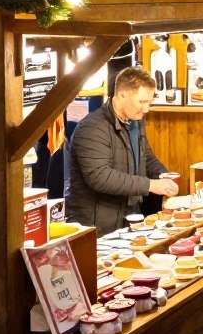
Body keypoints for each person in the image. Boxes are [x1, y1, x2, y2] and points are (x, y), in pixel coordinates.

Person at [67, 67, 178, 235]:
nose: (147, 109)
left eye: (149, 102)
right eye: (142, 102)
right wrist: (151, 185)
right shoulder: (91, 128)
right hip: (95, 227)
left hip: (128, 219)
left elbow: (146, 158)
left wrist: (164, 175)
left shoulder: (135, 122)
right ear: (122, 95)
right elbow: (100, 177)